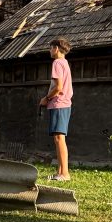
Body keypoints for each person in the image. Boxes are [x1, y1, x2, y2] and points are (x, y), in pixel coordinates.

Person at [38, 37, 73, 181]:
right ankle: (60, 172)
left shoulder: (57, 63)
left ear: (56, 48)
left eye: (51, 47)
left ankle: (65, 174)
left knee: (59, 139)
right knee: (58, 139)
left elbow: (58, 88)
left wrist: (46, 98)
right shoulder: (64, 63)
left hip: (59, 104)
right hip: (62, 104)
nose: (50, 50)